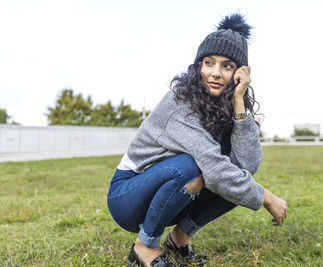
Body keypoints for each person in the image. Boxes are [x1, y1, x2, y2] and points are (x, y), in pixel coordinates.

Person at [107, 13, 288, 267]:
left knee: (233, 175)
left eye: (227, 66)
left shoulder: (227, 106)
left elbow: (247, 165)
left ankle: (179, 238)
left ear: (240, 73)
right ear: (198, 65)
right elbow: (214, 171)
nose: (215, 73)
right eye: (209, 62)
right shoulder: (179, 102)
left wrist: (238, 102)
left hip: (170, 195)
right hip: (128, 195)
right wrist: (266, 197)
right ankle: (144, 247)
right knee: (192, 168)